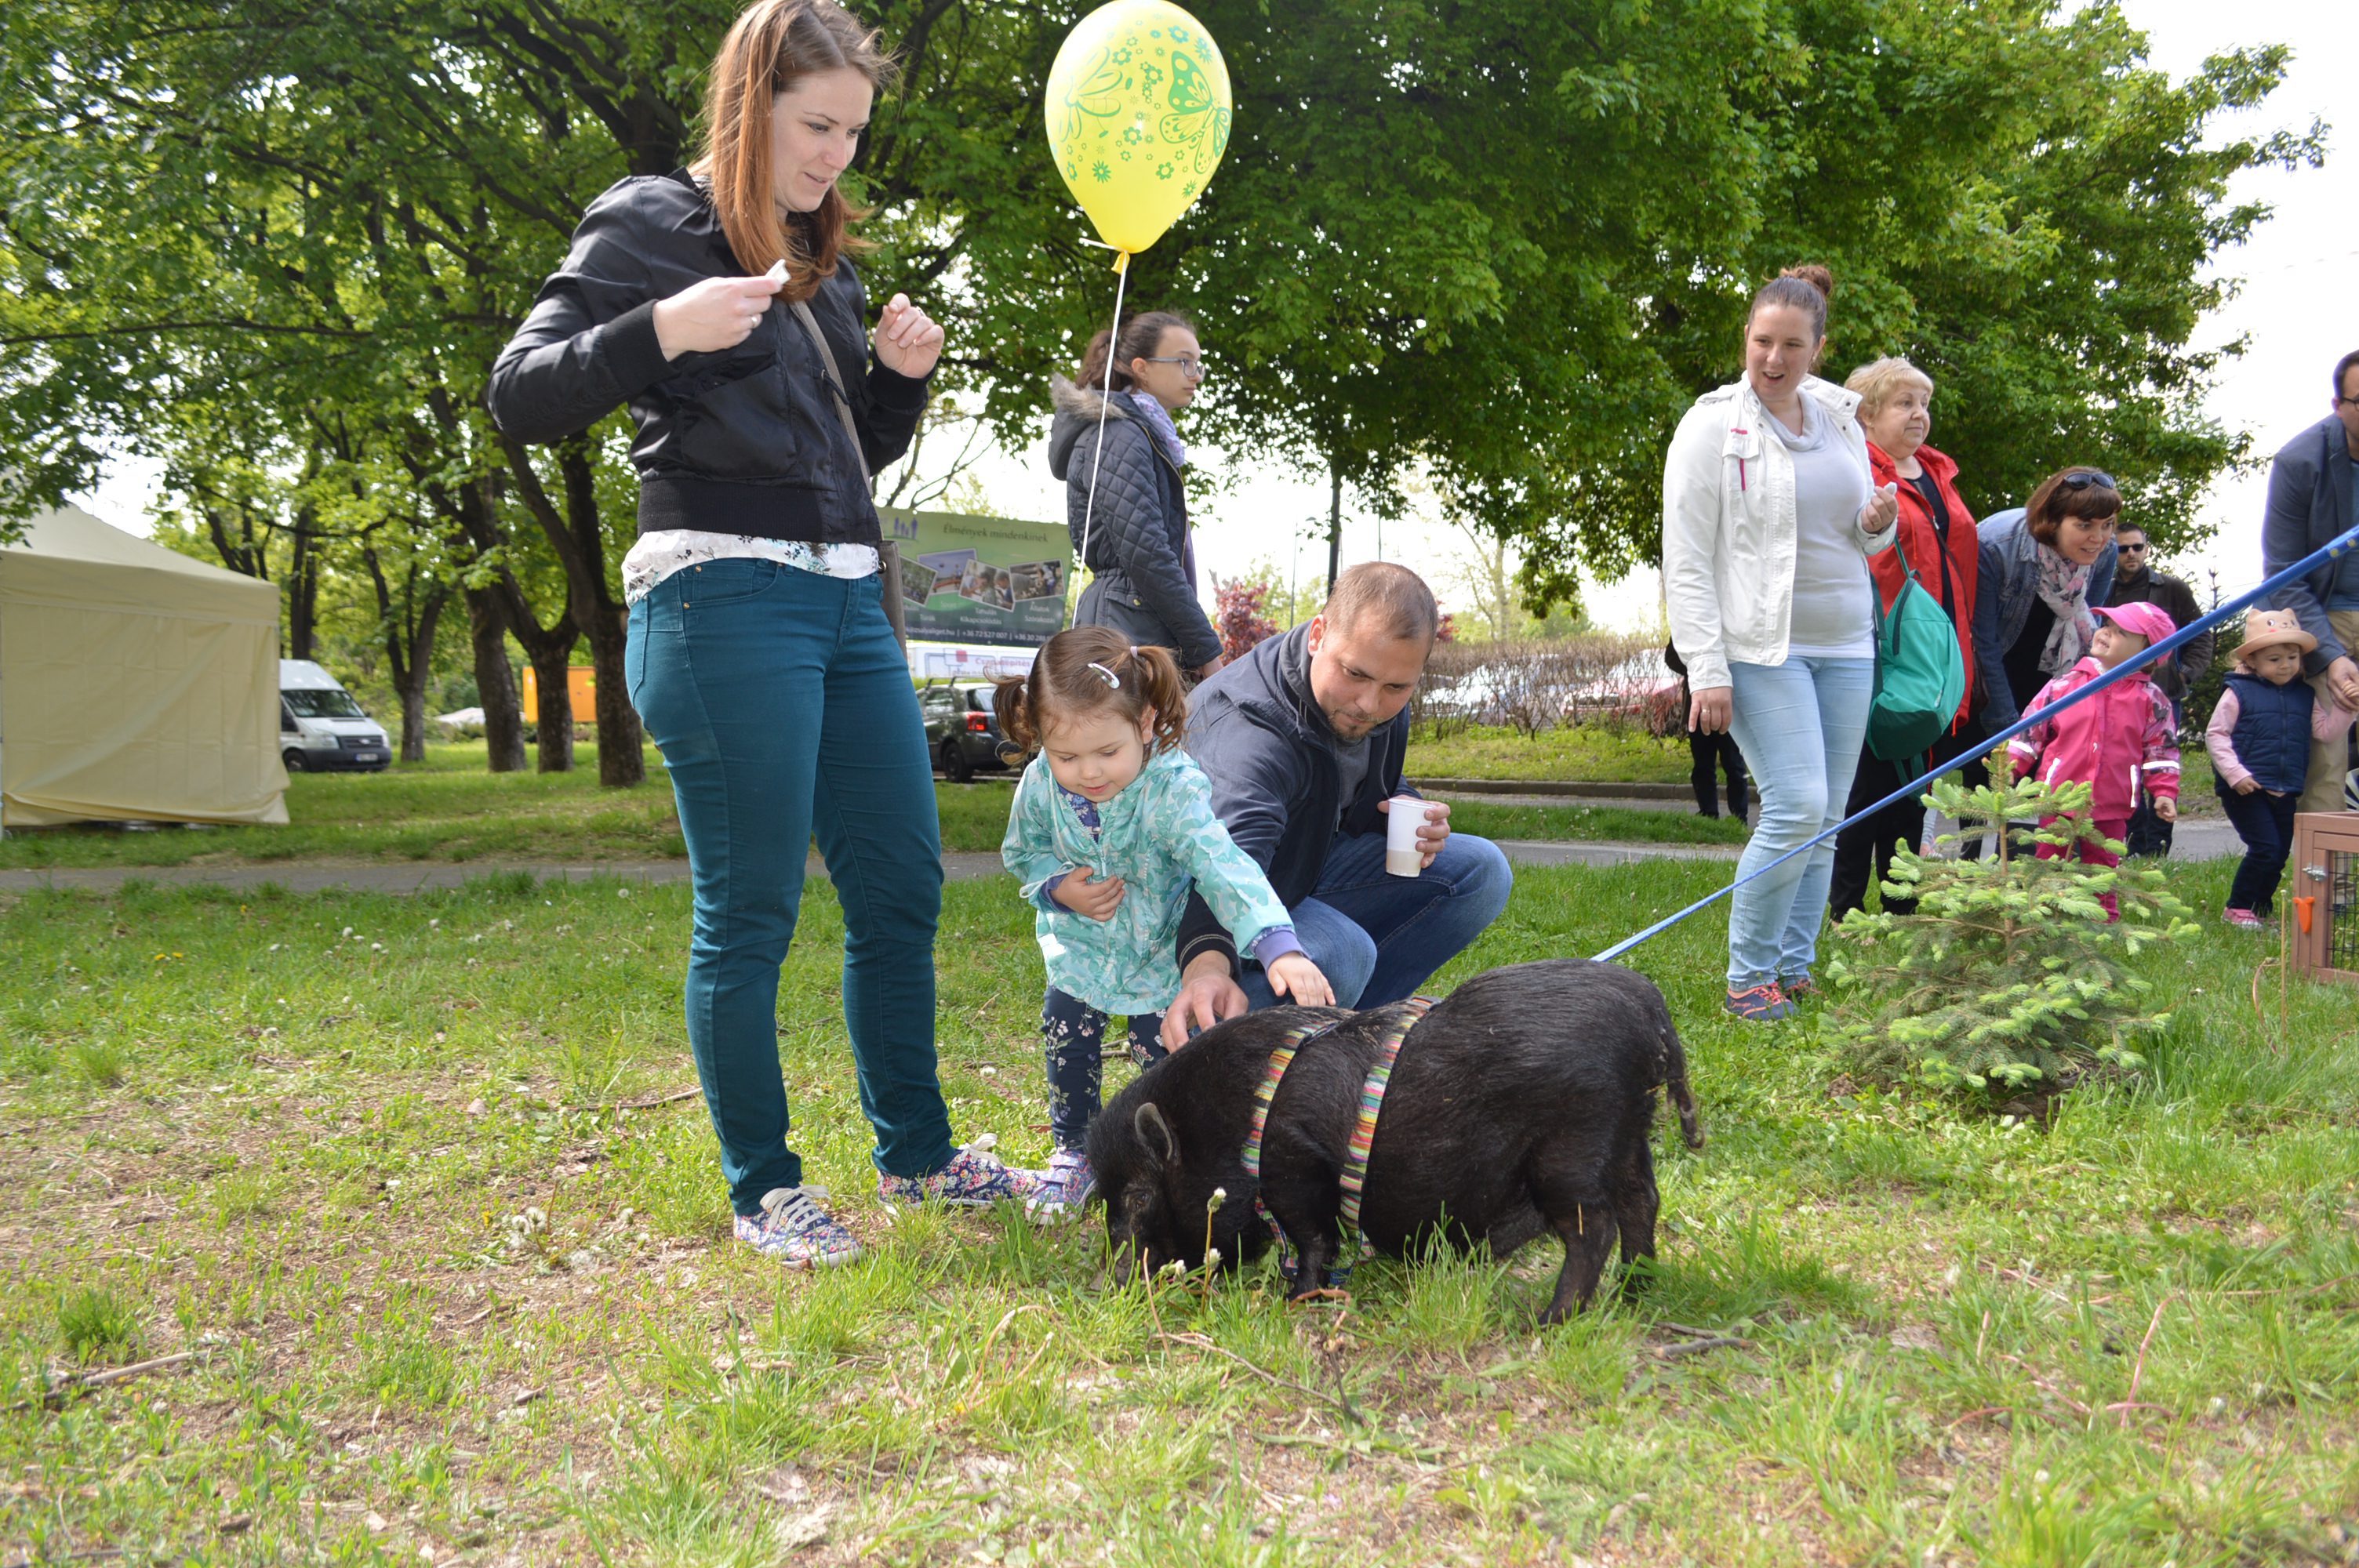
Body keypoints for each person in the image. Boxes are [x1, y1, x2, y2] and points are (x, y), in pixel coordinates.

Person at [486, 0, 1038, 1269]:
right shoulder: (649, 223)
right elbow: (519, 392)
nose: (838, 152)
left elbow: (842, 458)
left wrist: (895, 379)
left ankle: (915, 1155)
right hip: (723, 593)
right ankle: (766, 1188)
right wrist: (658, 332)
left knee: (900, 884)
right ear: (750, 105)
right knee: (751, 911)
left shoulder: (816, 266)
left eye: (853, 129)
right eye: (816, 124)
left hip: (848, 599)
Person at [994, 628, 1333, 1217]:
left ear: (1146, 724)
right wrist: (1058, 887)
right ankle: (1073, 1154)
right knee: (1066, 1034)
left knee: (1167, 1060)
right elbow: (1022, 852)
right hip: (1080, 952)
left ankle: (1171, 1164)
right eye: (1066, 755)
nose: (1087, 773)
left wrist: (1278, 945)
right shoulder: (1040, 784)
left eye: (1107, 753)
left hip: (1155, 956)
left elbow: (1223, 866)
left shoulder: (1171, 790)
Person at [1662, 265, 1899, 1022]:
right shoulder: (1709, 426)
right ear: (1746, 339)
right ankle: (1748, 980)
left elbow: (1866, 536)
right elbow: (1688, 557)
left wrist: (1878, 524)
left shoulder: (1840, 422)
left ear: (1817, 349)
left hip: (1846, 642)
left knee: (1829, 814)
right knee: (1795, 805)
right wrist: (1706, 667)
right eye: (1762, 341)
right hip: (1761, 647)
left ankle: (1795, 969)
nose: (1773, 358)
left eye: (1791, 345)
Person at [1157, 563, 1513, 1049]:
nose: (1369, 704)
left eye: (1396, 687)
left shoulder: (1371, 685)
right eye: (1356, 675)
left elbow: (1350, 780)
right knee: (1341, 951)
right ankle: (1200, 1051)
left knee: (1479, 871)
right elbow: (1222, 868)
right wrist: (1206, 966)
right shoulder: (1250, 735)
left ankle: (1349, 1045)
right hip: (1193, 898)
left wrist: (1402, 805)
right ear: (1318, 634)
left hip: (1298, 865)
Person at [1827, 356, 1981, 920]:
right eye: (1905, 403)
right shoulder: (1855, 470)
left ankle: (1903, 912)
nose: (1920, 415)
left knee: (1921, 788)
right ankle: (1844, 914)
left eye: (1925, 404)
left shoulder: (1939, 472)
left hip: (1940, 655)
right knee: (1867, 789)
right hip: (1878, 652)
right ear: (1867, 414)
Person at [1048, 311, 1226, 679]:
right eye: (1184, 363)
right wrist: (1206, 651)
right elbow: (1147, 554)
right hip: (1125, 628)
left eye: (1198, 365)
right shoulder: (1120, 435)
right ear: (1142, 368)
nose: (1196, 376)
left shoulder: (1143, 434)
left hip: (1133, 621)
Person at [2005, 601, 2181, 920]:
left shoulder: (2151, 700)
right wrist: (2011, 766)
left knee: (2102, 865)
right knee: (2049, 860)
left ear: (2151, 653)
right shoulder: (2065, 685)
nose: (2106, 633)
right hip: (2060, 797)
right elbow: (2030, 730)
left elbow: (2162, 750)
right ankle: (2044, 914)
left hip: (2111, 802)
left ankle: (2102, 919)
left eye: (2122, 632)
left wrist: (2164, 792)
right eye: (2107, 625)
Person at [2207, 610, 2359, 928]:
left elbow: (2325, 732)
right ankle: (2237, 907)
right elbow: (2216, 734)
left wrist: (2348, 709)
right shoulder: (2239, 691)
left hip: (2286, 786)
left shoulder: (2304, 694)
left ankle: (2260, 908)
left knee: (2277, 854)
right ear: (2253, 661)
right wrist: (2235, 774)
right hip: (2247, 787)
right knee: (2264, 848)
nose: (2286, 665)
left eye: (2292, 657)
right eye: (2275, 659)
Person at [2260, 350, 2359, 813]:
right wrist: (2329, 655)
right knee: (2326, 758)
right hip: (2324, 615)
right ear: (2339, 405)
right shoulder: (2300, 462)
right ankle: (2323, 887)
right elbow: (2283, 572)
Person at [1972, 471, 2122, 737]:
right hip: (1990, 678)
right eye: (2085, 525)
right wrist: (2009, 728)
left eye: (2108, 524)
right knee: (1989, 771)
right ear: (2052, 521)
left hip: (2051, 678)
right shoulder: (1995, 545)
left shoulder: (2107, 551)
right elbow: (1983, 643)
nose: (2099, 538)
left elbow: (2089, 625)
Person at [2103, 522, 2211, 857]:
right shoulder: (2104, 590)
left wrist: (2185, 675)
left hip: (2164, 695)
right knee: (2126, 766)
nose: (2131, 554)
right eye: (2123, 549)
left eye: (2137, 547)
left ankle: (2158, 848)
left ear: (2147, 549)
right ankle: (2136, 846)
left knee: (2161, 765)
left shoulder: (2171, 588)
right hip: (2117, 694)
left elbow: (2202, 634)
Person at [1665, 642, 1749, 818]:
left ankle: (1739, 818)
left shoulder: (1735, 625)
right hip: (1699, 707)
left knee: (1734, 766)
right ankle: (1708, 814)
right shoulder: (1693, 623)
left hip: (1730, 707)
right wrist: (1701, 669)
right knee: (1703, 765)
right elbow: (1672, 657)